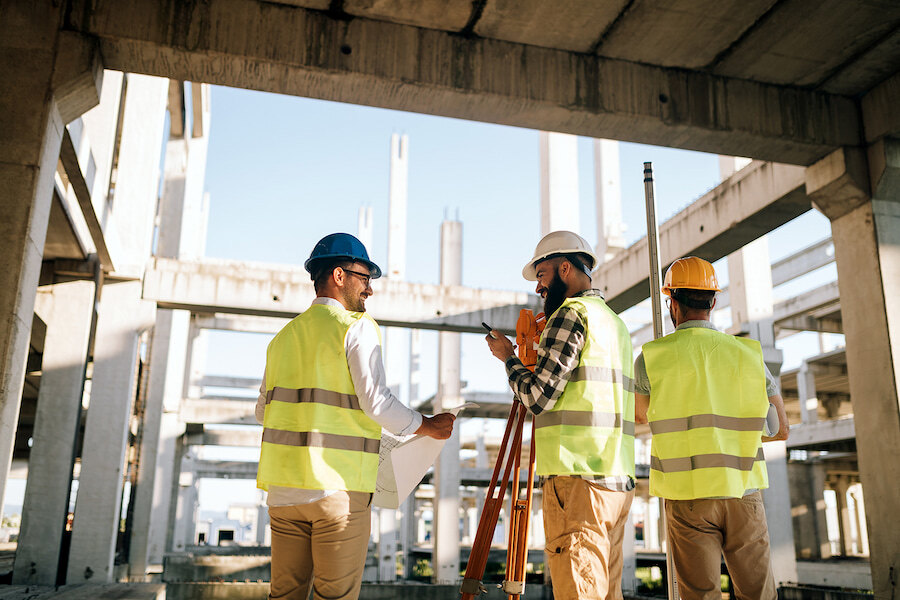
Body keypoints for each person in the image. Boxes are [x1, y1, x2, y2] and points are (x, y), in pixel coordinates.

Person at [255, 232, 456, 600]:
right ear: (339, 275)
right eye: (365, 279)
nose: (370, 290)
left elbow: (262, 412)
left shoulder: (282, 339)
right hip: (337, 492)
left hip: (283, 494)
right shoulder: (355, 328)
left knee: (284, 596)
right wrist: (430, 426)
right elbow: (377, 403)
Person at [485, 230, 636, 600]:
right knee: (605, 592)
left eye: (541, 275)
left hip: (577, 482)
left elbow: (538, 397)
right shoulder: (614, 323)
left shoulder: (570, 315)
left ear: (564, 268)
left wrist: (509, 358)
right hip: (615, 481)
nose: (538, 287)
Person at [633, 256, 789, 600]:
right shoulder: (748, 355)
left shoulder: (650, 357)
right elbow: (780, 429)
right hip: (743, 491)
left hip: (687, 497)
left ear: (671, 302)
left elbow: (640, 416)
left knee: (699, 594)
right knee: (758, 594)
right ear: (714, 301)